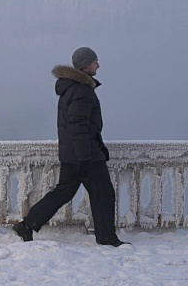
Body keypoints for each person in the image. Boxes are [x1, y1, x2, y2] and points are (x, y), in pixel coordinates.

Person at [13, 47, 129, 247]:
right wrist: (85, 157)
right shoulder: (82, 91)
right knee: (103, 194)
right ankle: (106, 237)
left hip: (72, 154)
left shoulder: (71, 88)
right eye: (95, 62)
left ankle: (27, 225)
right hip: (86, 155)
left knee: (63, 192)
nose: (98, 65)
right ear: (86, 66)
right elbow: (78, 127)